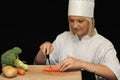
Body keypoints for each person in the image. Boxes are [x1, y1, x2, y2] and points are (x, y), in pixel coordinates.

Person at [34, 0, 120, 80]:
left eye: (80, 21)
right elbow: (39, 65)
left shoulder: (103, 44)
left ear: (90, 21)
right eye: (71, 20)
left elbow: (115, 74)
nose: (75, 26)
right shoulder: (63, 38)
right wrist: (42, 53)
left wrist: (81, 64)